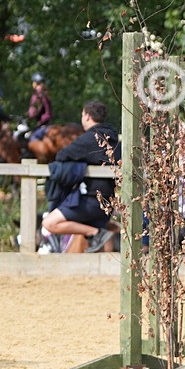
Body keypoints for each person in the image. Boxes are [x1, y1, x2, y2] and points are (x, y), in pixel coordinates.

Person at [41, 100, 121, 254]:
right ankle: (102, 233)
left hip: (89, 199)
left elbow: (62, 155)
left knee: (49, 223)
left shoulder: (90, 138)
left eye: (82, 115)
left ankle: (96, 234)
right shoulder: (113, 138)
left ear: (88, 116)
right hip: (108, 200)